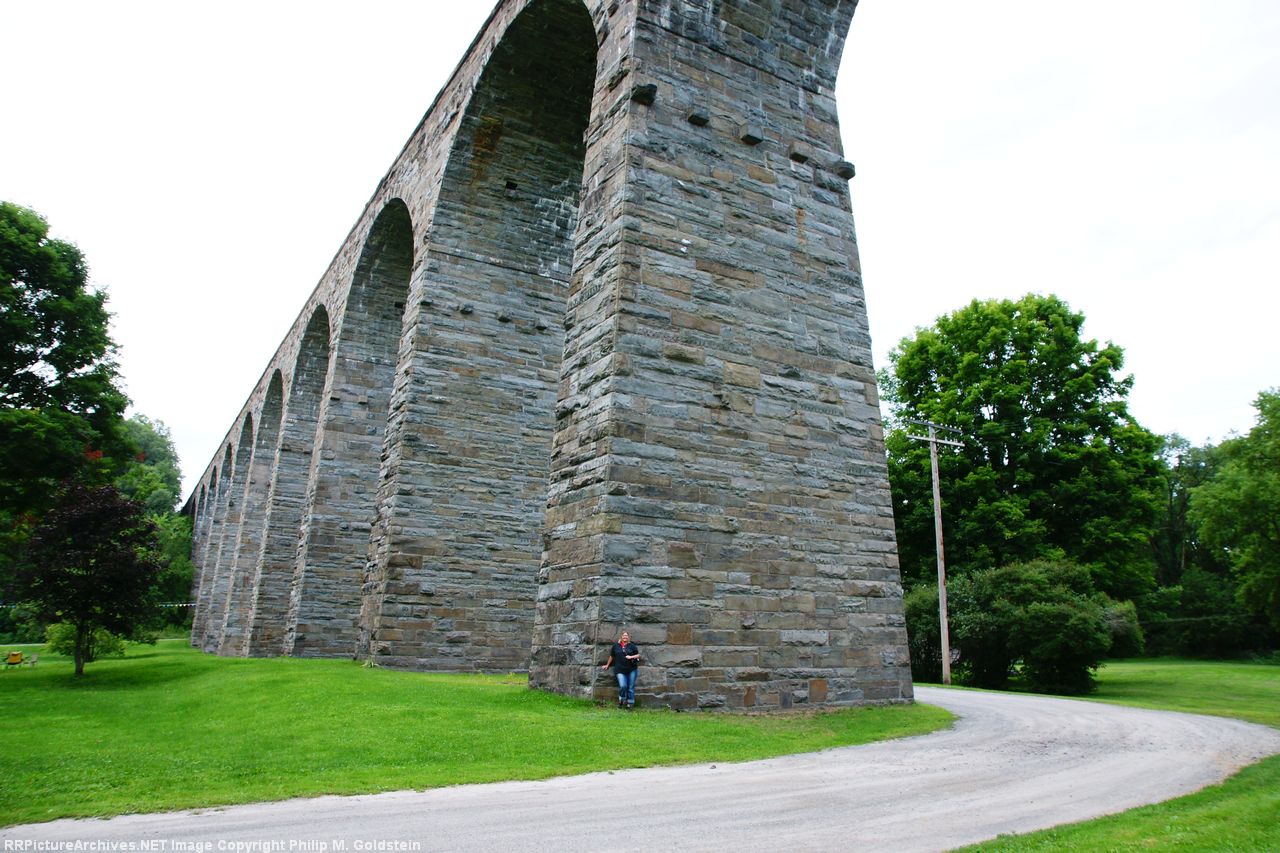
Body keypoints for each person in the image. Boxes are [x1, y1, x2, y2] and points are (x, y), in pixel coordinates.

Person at [601, 630, 641, 709]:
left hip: (632, 669)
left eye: (626, 635)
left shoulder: (632, 646)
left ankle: (630, 703)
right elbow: (612, 656)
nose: (625, 637)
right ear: (621, 637)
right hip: (620, 669)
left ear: (628, 637)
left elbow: (638, 655)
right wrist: (607, 665)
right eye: (623, 635)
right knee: (623, 686)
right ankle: (621, 700)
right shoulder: (616, 646)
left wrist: (631, 657)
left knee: (630, 687)